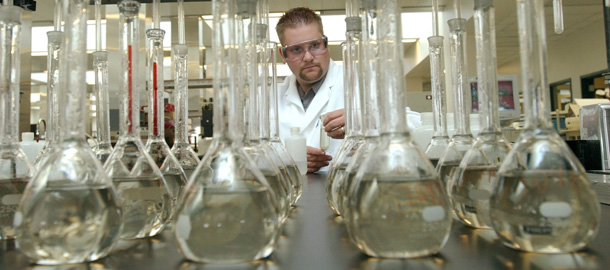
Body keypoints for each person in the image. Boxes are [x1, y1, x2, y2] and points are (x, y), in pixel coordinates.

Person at [275, 7, 345, 173]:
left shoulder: (358, 83)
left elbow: (414, 125)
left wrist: (366, 123)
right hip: (288, 195)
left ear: (325, 44)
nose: (308, 57)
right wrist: (287, 159)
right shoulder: (270, 98)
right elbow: (245, 153)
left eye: (314, 45)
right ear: (283, 55)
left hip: (345, 193)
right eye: (296, 49)